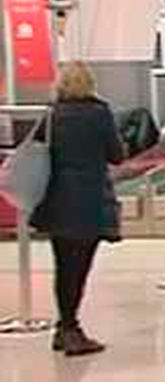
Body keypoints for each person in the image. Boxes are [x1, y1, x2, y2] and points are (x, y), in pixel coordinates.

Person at [31, 62, 126, 357]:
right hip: (90, 199)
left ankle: (65, 326)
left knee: (63, 266)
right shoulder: (99, 114)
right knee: (80, 267)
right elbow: (117, 155)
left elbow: (35, 149)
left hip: (57, 198)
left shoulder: (51, 115)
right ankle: (70, 327)